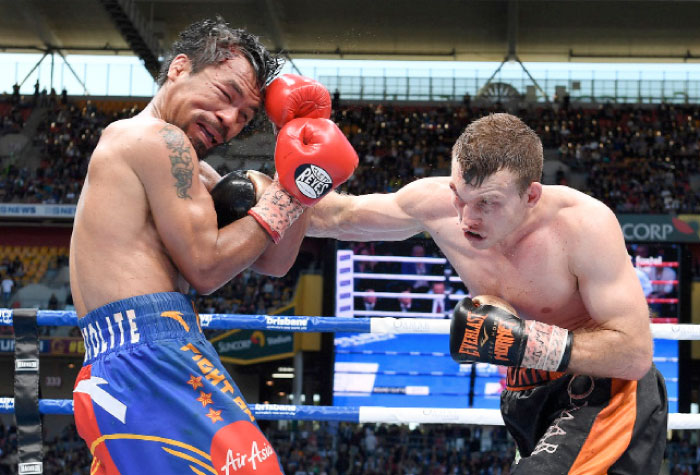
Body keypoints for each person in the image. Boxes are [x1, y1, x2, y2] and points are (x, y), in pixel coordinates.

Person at [70, 17, 357, 474]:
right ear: (180, 68)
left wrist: (298, 182)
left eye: (245, 118)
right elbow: (205, 268)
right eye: (226, 97)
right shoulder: (157, 139)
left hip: (127, 363)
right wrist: (288, 194)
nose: (229, 122)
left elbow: (275, 261)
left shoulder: (191, 172)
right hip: (152, 360)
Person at [308, 113, 667, 473]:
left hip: (604, 390)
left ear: (531, 195)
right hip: (523, 391)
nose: (466, 219)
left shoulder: (582, 225)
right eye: (459, 197)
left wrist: (524, 342)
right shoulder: (435, 206)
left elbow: (634, 354)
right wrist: (267, 193)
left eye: (487, 203)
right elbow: (339, 216)